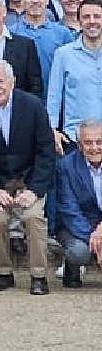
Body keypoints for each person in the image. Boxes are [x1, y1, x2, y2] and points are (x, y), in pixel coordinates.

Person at [0, 58, 56, 295]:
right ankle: (4, 272)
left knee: (33, 217)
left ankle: (38, 276)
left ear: (12, 81)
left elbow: (46, 151)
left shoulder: (33, 105)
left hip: (29, 176)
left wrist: (34, 190)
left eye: (0, 81)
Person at [47, 0, 102, 152]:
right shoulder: (64, 55)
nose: (92, 21)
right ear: (79, 21)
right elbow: (54, 97)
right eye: (86, 17)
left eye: (97, 16)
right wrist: (52, 130)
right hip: (76, 139)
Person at [57, 119, 102, 288]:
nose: (95, 148)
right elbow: (69, 210)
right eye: (88, 143)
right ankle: (72, 269)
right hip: (75, 226)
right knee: (79, 252)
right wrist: (96, 239)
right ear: (79, 145)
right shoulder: (66, 167)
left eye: (99, 142)